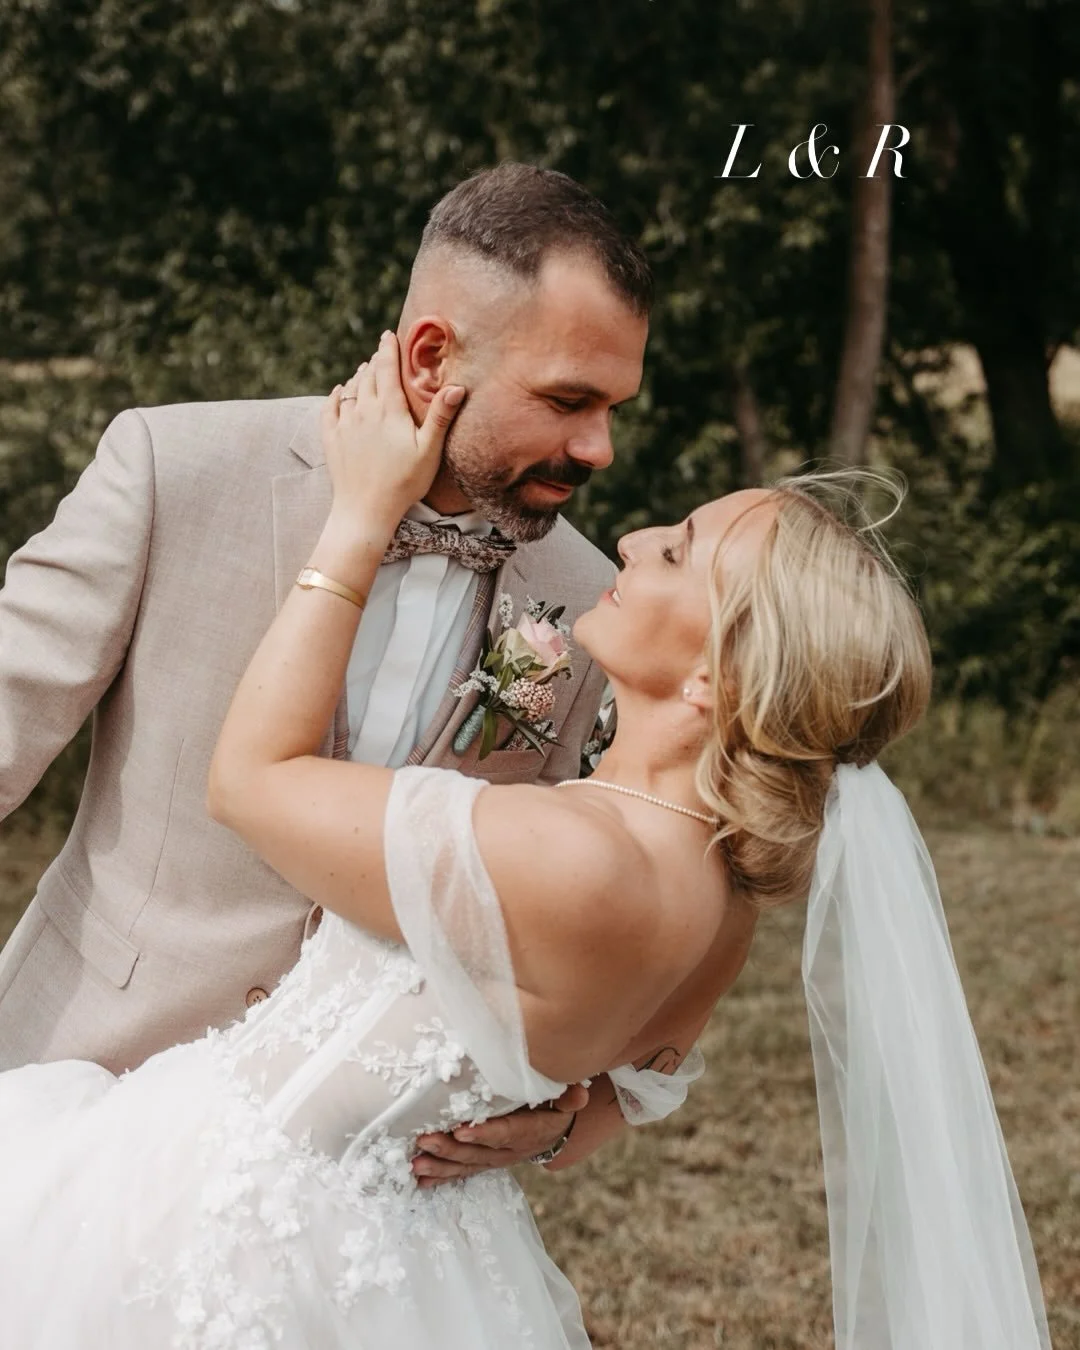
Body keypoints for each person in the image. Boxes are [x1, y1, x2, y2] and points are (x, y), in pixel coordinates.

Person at [0, 339, 1050, 1349]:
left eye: (678, 551)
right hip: (416, 1251)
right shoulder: (724, 898)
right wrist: (541, 1120)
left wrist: (358, 519)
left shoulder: (561, 849)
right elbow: (628, 1095)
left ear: (712, 679)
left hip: (213, 1227)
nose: (633, 540)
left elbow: (249, 780)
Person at [0, 161, 659, 1178]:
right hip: (90, 1088)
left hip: (356, 1166)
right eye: (568, 399)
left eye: (614, 406)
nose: (600, 446)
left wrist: (578, 1111)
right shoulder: (175, 471)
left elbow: (628, 894)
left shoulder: (586, 597)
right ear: (432, 356)